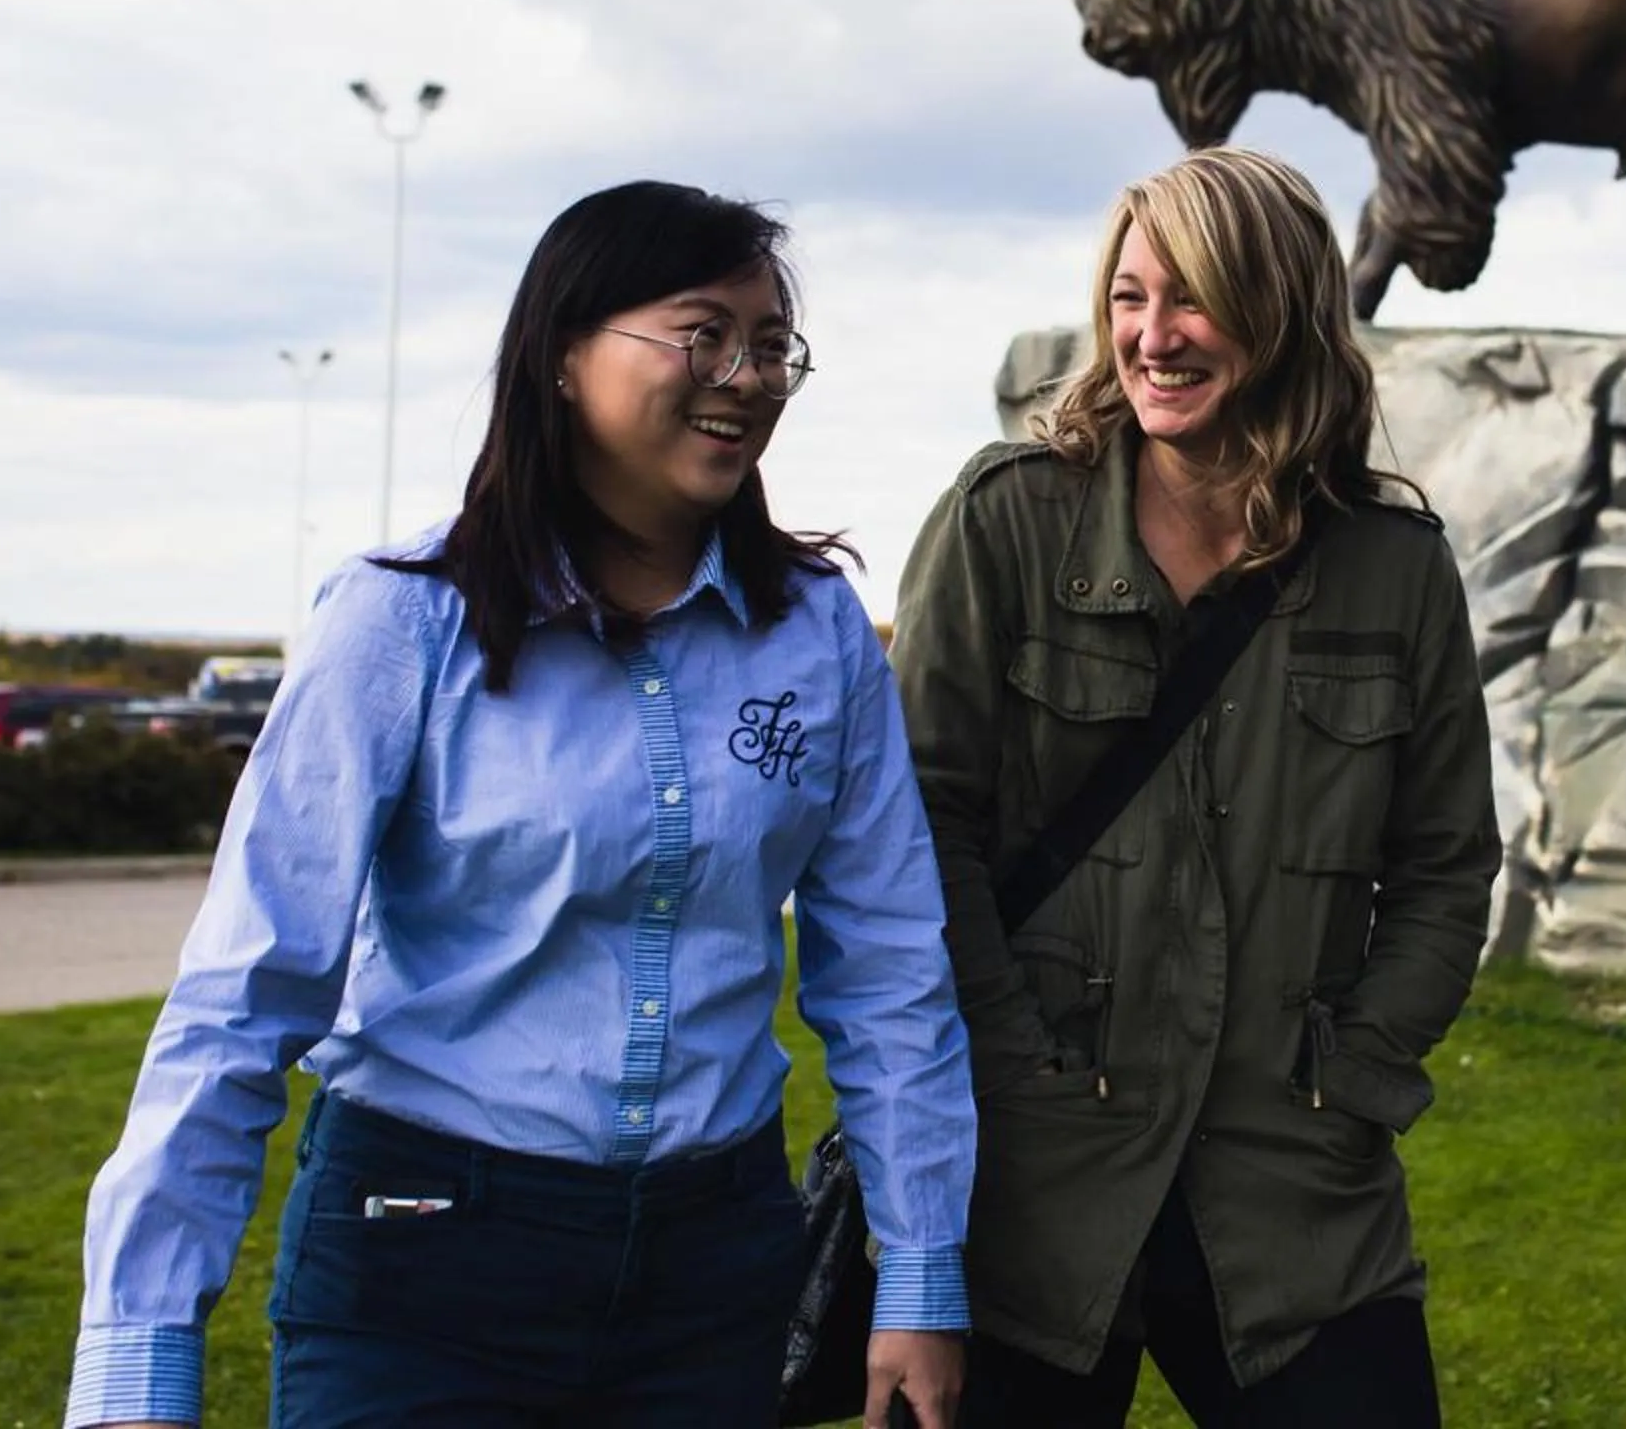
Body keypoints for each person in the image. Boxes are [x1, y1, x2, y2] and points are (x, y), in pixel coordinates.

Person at [65, 181, 972, 1429]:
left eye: (771, 344)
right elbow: (243, 990)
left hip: (715, 1274)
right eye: (703, 332)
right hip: (424, 1262)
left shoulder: (815, 630)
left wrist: (920, 1274)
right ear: (560, 352)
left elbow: (887, 973)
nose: (748, 374)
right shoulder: (401, 620)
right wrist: (140, 1357)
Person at [891, 146, 1502, 1428]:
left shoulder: (1395, 566)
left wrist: (1358, 1070)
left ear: (1279, 308)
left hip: (1295, 1193)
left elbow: (1448, 862)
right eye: (1128, 296)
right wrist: (1011, 1065)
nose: (1151, 337)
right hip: (1032, 1183)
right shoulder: (1005, 523)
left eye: (1193, 298)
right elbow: (918, 830)